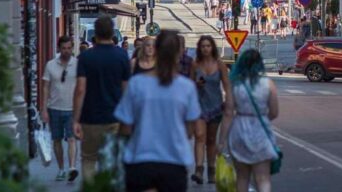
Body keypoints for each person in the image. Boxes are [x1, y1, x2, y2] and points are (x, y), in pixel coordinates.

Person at [114, 30, 201, 192]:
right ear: (179, 54)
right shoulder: (187, 88)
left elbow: (125, 127)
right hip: (174, 161)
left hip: (139, 159)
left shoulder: (137, 84)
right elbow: (189, 131)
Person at [72, 16, 131, 183]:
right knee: (111, 160)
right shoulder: (121, 56)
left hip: (90, 118)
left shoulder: (85, 58)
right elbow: (126, 89)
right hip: (115, 118)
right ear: (112, 33)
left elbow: (80, 89)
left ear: (95, 34)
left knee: (89, 159)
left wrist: (76, 119)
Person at [219, 49, 280, 192]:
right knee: (263, 178)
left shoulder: (236, 85)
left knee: (242, 177)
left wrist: (221, 141)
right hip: (260, 131)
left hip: (239, 129)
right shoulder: (268, 84)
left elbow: (228, 113)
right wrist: (263, 118)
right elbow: (274, 112)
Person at [189, 36, 232, 185]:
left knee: (211, 140)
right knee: (200, 136)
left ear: (212, 47)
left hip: (215, 106)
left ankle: (211, 170)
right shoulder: (195, 65)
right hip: (199, 106)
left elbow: (226, 84)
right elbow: (188, 85)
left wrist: (228, 101)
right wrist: (196, 84)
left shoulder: (219, 64)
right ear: (199, 49)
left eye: (208, 46)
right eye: (203, 46)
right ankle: (199, 169)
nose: (205, 49)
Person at [41, 36, 79, 183]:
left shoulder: (77, 64)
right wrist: (43, 109)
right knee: (56, 140)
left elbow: (82, 86)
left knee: (71, 139)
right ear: (59, 48)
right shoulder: (50, 65)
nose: (67, 51)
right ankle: (61, 168)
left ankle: (71, 168)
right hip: (54, 108)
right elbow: (45, 87)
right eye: (64, 48)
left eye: (69, 48)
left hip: (72, 109)